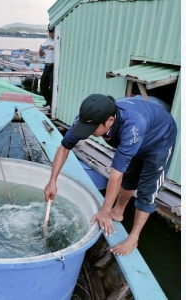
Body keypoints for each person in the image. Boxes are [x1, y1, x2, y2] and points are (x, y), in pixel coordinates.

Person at [44, 94, 177, 256]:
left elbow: (115, 174)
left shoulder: (132, 127)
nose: (87, 133)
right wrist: (52, 182)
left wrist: (104, 211)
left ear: (110, 121)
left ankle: (134, 237)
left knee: (147, 190)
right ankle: (118, 212)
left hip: (159, 140)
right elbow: (64, 148)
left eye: (92, 130)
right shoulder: (87, 118)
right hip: (137, 136)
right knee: (129, 176)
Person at [38, 26, 55, 108]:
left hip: (54, 67)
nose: (51, 34)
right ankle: (48, 101)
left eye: (52, 32)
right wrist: (40, 51)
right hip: (47, 65)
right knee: (43, 85)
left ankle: (52, 104)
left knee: (52, 87)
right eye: (50, 32)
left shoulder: (57, 41)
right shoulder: (46, 41)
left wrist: (54, 48)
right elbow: (41, 55)